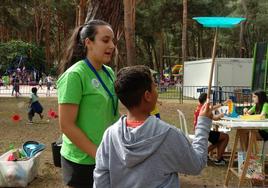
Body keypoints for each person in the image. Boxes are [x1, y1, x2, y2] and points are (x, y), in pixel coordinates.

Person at [94, 65, 213, 188]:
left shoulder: (110, 135)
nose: (157, 90)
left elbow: (101, 176)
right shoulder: (168, 135)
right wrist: (203, 123)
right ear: (147, 96)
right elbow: (196, 165)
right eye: (155, 86)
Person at [57, 20, 119, 188]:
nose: (112, 46)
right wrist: (98, 154)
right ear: (88, 43)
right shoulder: (74, 76)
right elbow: (67, 125)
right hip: (81, 161)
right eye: (105, 40)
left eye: (113, 41)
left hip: (107, 155)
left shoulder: (109, 73)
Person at [194, 93, 229, 165]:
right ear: (206, 101)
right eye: (210, 100)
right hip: (205, 132)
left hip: (199, 131)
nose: (211, 102)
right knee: (225, 137)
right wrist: (222, 115)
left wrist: (223, 104)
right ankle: (218, 158)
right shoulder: (205, 110)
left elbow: (213, 108)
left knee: (219, 138)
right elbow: (215, 118)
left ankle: (209, 154)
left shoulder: (200, 107)